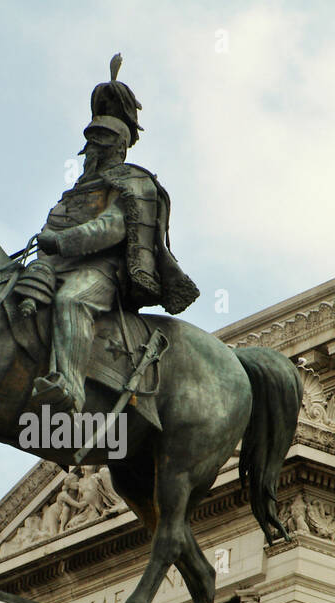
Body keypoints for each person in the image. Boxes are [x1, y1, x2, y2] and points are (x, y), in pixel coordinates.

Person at [27, 57, 197, 414]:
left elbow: (111, 228)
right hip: (58, 264)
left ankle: (67, 386)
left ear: (118, 148)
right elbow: (54, 223)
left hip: (103, 273)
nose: (92, 151)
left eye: (100, 144)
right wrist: (43, 259)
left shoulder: (134, 182)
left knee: (71, 301)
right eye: (90, 144)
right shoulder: (75, 190)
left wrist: (62, 241)